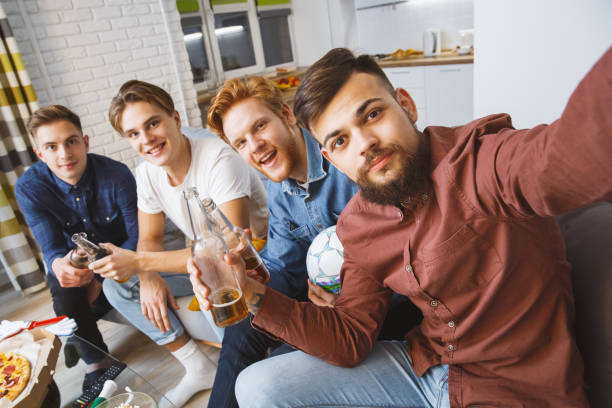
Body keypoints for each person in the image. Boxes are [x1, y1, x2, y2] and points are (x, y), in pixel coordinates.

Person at [190, 46, 612, 407]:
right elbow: (351, 336)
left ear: (405, 104)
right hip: (426, 369)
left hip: (513, 387)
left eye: (372, 114)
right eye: (339, 141)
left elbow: (563, 157)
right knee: (257, 385)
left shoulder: (480, 162)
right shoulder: (357, 224)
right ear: (332, 158)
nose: (364, 142)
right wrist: (255, 295)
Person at [94, 80, 268, 407]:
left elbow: (230, 248)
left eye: (153, 123)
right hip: (207, 260)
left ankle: (249, 378)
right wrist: (147, 278)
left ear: (175, 118)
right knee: (116, 287)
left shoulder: (219, 158)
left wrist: (142, 263)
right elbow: (149, 237)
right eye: (133, 134)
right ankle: (197, 366)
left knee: (214, 289)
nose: (146, 139)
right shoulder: (147, 172)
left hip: (255, 259)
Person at [205, 76, 360, 407]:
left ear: (287, 115)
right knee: (243, 322)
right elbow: (284, 265)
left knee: (277, 370)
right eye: (241, 143)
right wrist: (247, 278)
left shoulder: (343, 158)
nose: (254, 146)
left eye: (259, 126)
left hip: (377, 311)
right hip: (324, 301)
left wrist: (350, 300)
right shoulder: (276, 184)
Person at [15, 105, 137, 390]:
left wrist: (99, 278)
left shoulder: (116, 174)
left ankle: (75, 334)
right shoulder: (29, 187)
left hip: (120, 261)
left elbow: (137, 237)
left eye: (71, 141)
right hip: (79, 263)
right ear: (39, 153)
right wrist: (62, 265)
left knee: (75, 301)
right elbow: (52, 249)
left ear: (85, 141)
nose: (64, 154)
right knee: (59, 279)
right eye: (51, 146)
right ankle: (98, 362)